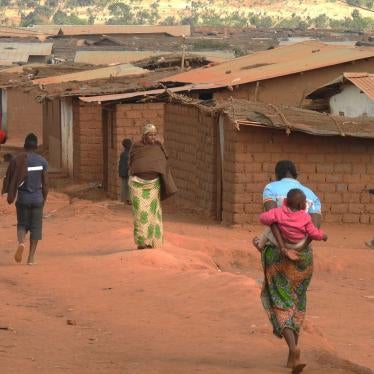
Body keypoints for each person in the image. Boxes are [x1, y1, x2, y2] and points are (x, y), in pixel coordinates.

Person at [253, 160, 322, 374]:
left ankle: (293, 347)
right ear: (295, 173)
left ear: (278, 174)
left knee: (280, 300)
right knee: (297, 300)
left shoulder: (271, 189)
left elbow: (272, 221)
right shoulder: (311, 195)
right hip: (304, 257)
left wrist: (283, 247)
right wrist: (300, 247)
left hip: (277, 254)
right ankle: (292, 356)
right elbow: (315, 227)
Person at [2, 133, 48, 265]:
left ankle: (21, 243)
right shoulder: (42, 161)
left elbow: (10, 179)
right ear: (36, 147)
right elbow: (45, 183)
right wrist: (43, 198)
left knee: (22, 224)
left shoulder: (17, 160)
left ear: (24, 146)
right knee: (36, 228)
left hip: (22, 199)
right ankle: (31, 258)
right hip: (37, 198)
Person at [128, 123, 177, 250]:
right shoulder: (136, 147)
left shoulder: (158, 147)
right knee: (140, 213)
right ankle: (141, 241)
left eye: (155, 135)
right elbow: (132, 162)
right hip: (138, 184)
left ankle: (151, 241)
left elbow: (164, 162)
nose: (153, 138)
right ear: (144, 136)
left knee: (153, 214)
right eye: (150, 135)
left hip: (153, 185)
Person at [258, 188, 327, 250]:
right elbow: (313, 233)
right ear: (301, 205)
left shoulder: (278, 212)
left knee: (268, 229)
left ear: (285, 201)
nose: (305, 204)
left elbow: (262, 218)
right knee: (309, 232)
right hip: (298, 245)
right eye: (304, 202)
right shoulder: (306, 217)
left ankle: (260, 245)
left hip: (282, 242)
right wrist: (323, 236)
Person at [118, 138, 132, 205]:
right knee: (129, 186)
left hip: (123, 172)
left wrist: (120, 172)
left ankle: (125, 199)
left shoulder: (123, 154)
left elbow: (120, 164)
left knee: (124, 186)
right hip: (128, 172)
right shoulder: (129, 154)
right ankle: (128, 200)